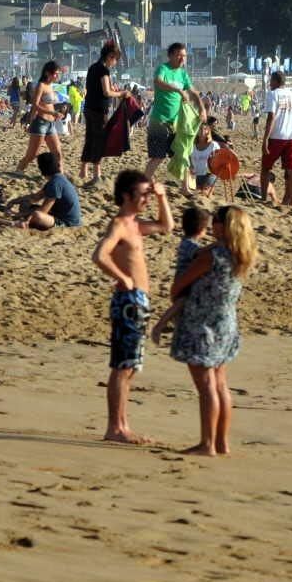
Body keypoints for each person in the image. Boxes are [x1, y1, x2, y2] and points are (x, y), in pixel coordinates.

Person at [92, 169, 173, 445]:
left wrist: (161, 197)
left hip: (139, 300)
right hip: (128, 300)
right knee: (123, 365)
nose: (146, 200)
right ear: (127, 196)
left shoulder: (136, 225)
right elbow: (99, 255)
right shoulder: (119, 225)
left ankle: (122, 424)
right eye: (142, 195)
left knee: (132, 365)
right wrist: (122, 277)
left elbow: (166, 226)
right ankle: (115, 427)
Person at [168, 205, 256, 457]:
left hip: (202, 322)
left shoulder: (212, 256)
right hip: (225, 322)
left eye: (215, 220)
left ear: (223, 226)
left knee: (206, 385)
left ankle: (207, 443)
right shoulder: (240, 252)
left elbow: (179, 285)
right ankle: (221, 442)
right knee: (220, 384)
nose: (212, 224)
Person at [149, 207, 213, 346]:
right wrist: (216, 245)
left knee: (182, 312)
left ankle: (176, 334)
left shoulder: (187, 242)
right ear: (202, 229)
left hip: (186, 281)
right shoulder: (189, 244)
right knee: (180, 303)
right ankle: (160, 325)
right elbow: (200, 253)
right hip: (183, 283)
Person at [145, 43, 203, 183]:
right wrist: (178, 90)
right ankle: (144, 182)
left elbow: (193, 92)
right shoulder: (163, 69)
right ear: (170, 55)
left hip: (177, 123)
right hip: (160, 121)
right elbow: (158, 82)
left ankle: (185, 188)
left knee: (183, 154)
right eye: (179, 55)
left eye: (184, 56)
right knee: (158, 157)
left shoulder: (183, 74)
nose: (182, 59)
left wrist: (202, 108)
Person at [79, 42, 125, 186]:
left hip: (89, 107)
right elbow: (106, 92)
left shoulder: (93, 67)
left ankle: (83, 170)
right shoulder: (104, 70)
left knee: (89, 138)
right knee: (99, 141)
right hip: (99, 110)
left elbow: (95, 88)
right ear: (110, 56)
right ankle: (96, 175)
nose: (115, 63)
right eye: (115, 59)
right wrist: (121, 93)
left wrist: (112, 89)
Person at [258, 70, 292, 209]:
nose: (269, 83)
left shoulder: (273, 94)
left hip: (277, 136)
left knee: (266, 167)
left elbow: (271, 117)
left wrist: (265, 138)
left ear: (276, 81)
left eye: (271, 81)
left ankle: (264, 198)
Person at [10, 150, 81, 230]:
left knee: (37, 215)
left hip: (68, 223)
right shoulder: (57, 179)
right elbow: (35, 197)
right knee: (25, 204)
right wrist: (14, 201)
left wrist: (18, 215)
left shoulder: (55, 183)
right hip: (57, 215)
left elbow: (43, 210)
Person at [15, 61, 65, 175]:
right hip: (40, 123)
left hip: (51, 124)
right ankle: (19, 170)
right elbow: (35, 105)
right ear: (48, 73)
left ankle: (60, 177)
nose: (57, 76)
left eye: (58, 73)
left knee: (58, 153)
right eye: (56, 73)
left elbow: (49, 105)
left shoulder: (51, 86)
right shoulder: (41, 85)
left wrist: (58, 112)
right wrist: (30, 122)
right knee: (32, 155)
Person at [189, 122, 221, 196]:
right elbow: (189, 161)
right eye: (200, 129)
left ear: (208, 131)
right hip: (195, 175)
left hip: (209, 174)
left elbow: (219, 161)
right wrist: (191, 168)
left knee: (203, 193)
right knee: (195, 192)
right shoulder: (192, 145)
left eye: (205, 129)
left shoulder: (213, 145)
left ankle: (209, 188)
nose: (202, 131)